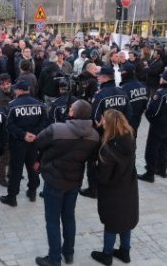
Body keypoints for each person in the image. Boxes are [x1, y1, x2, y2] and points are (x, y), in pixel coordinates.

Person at [34, 100, 100, 266]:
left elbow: (39, 142)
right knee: (69, 217)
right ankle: (68, 253)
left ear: (73, 113)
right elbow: (92, 158)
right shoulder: (94, 135)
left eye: (71, 108)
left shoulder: (57, 129)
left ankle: (54, 259)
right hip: (74, 181)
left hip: (54, 180)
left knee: (52, 220)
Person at [90, 109, 138, 266]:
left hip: (112, 192)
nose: (101, 120)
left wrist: (92, 169)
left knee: (111, 224)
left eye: (103, 119)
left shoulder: (108, 149)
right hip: (129, 188)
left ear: (108, 123)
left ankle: (107, 255)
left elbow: (103, 177)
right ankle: (125, 252)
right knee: (126, 222)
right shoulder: (129, 138)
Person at [81, 66, 131, 198]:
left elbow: (95, 117)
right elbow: (129, 114)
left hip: (102, 134)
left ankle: (93, 189)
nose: (97, 77)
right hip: (120, 134)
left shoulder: (100, 95)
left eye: (99, 75)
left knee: (94, 160)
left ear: (105, 77)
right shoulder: (122, 92)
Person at [0, 80, 48, 207]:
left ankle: (12, 197)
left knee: (16, 170)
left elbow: (8, 125)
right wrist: (35, 134)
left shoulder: (12, 105)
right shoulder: (40, 104)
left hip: (18, 143)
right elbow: (44, 122)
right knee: (33, 168)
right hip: (34, 142)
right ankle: (32, 192)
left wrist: (23, 135)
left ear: (19, 91)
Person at [138, 71, 167, 182]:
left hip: (158, 125)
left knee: (152, 149)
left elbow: (152, 112)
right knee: (164, 148)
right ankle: (162, 170)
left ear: (163, 80)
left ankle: (150, 173)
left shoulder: (160, 94)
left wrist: (152, 121)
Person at [120, 63, 148, 135]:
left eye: (122, 72)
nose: (121, 74)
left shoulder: (124, 88)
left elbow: (121, 107)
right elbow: (145, 104)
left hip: (126, 120)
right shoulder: (142, 86)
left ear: (127, 73)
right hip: (137, 118)